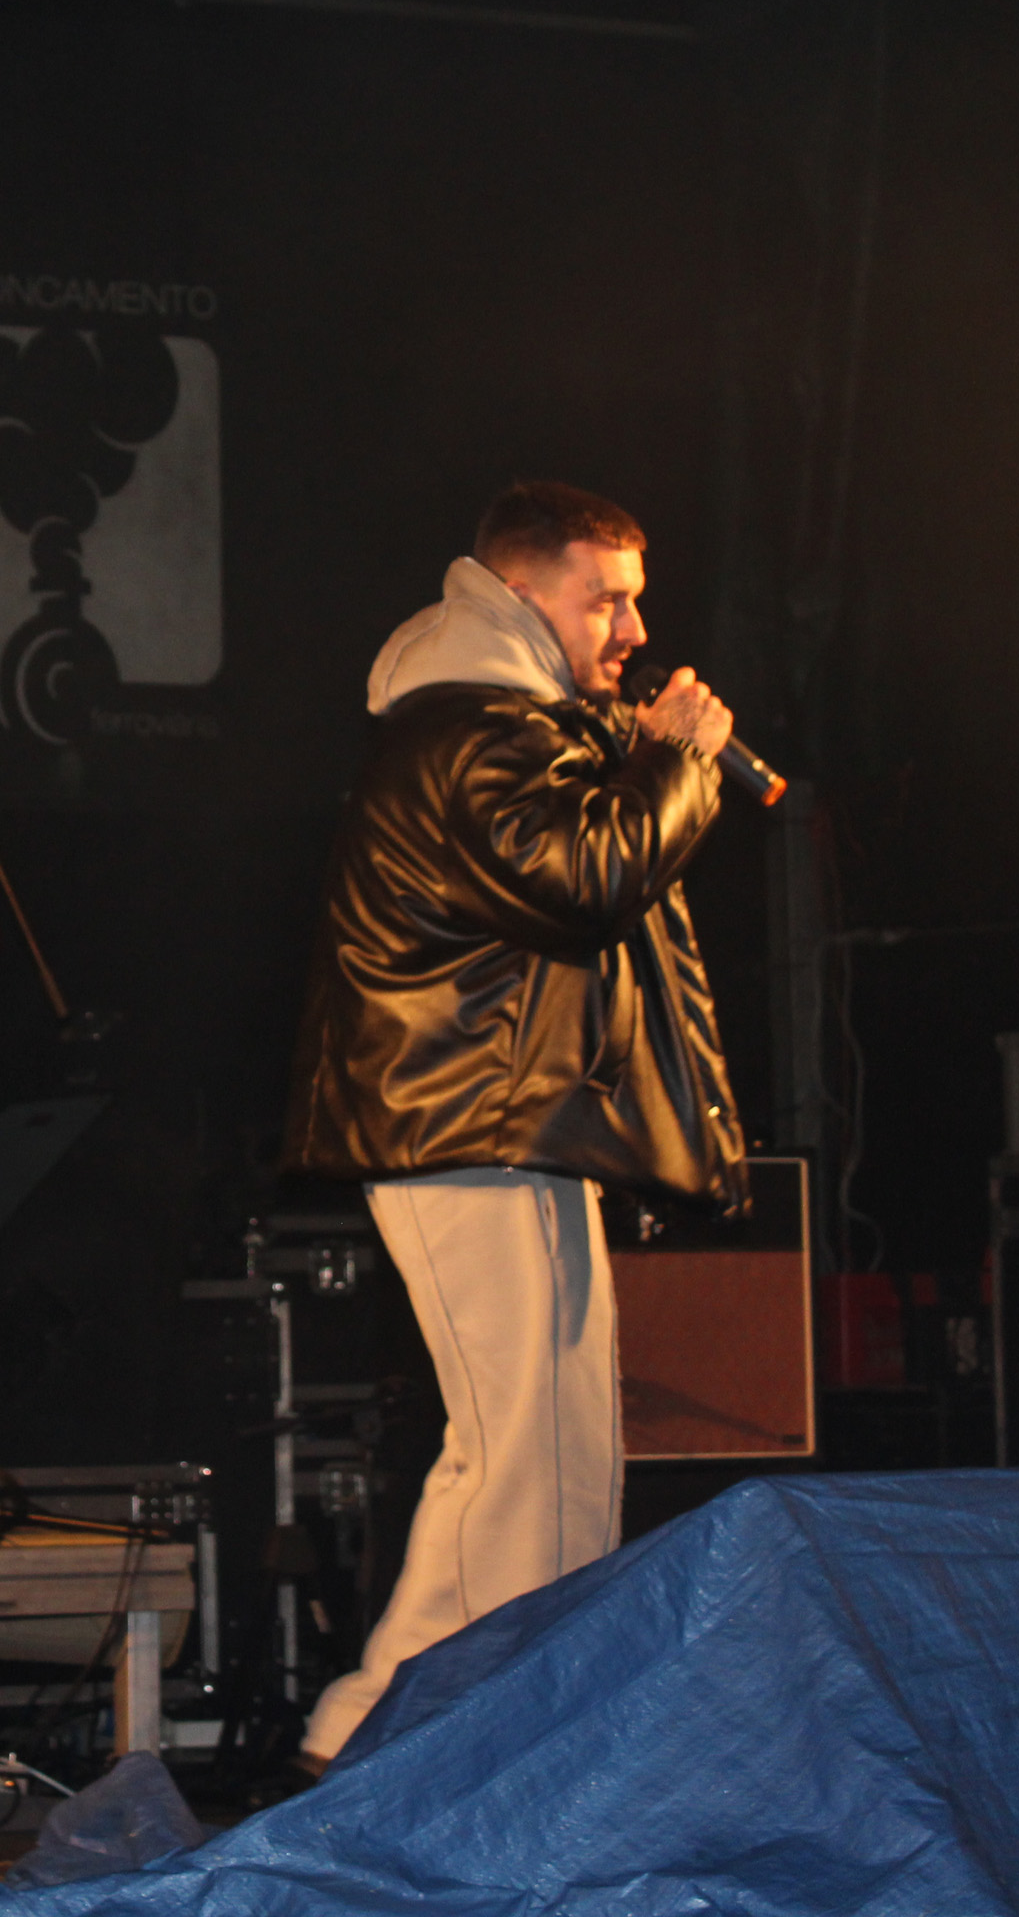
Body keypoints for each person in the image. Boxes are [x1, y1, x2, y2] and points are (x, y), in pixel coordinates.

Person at [278, 477, 750, 1768]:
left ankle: (412, 1724)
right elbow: (588, 876)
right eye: (607, 601)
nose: (633, 630)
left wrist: (627, 750)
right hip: (466, 1124)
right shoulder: (469, 727)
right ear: (522, 593)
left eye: (636, 603)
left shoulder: (507, 724)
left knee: (553, 1449)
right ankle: (445, 1735)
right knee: (524, 1454)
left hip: (506, 1122)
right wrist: (676, 761)